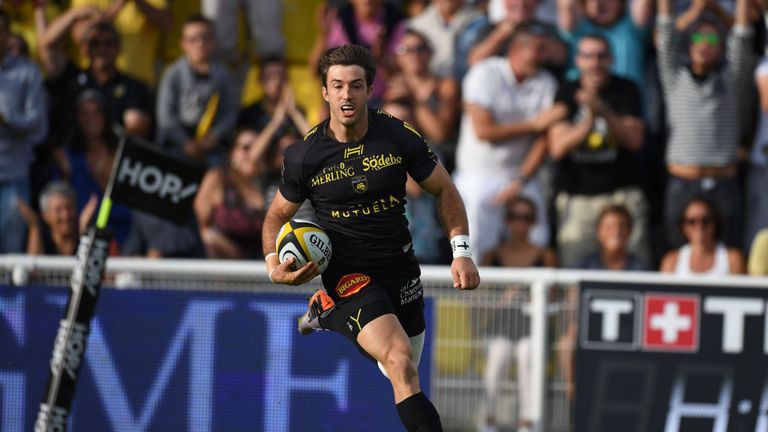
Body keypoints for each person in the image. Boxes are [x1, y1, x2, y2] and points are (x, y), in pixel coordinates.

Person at [262, 44, 480, 432]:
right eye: (338, 86)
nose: (347, 95)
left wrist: (461, 252)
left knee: (404, 362)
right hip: (350, 277)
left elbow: (445, 190)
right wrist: (272, 266)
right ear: (325, 92)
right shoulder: (304, 156)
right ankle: (333, 302)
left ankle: (325, 312)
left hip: (400, 270)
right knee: (399, 364)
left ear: (369, 90)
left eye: (356, 85)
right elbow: (276, 216)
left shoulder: (397, 135)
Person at [454, 22, 564, 264]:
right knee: (477, 239)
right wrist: (533, 124)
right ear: (515, 50)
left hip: (520, 173)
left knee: (539, 234)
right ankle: (475, 296)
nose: (541, 56)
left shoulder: (546, 82)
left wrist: (521, 179)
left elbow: (543, 139)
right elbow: (484, 131)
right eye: (536, 49)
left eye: (543, 50)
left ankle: (537, 298)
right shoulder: (484, 73)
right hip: (477, 174)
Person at [656, 0, 752, 249]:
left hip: (723, 185)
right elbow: (666, 32)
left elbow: (742, 36)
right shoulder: (675, 77)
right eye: (699, 37)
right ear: (689, 43)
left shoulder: (732, 80)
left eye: (712, 39)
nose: (705, 44)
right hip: (682, 184)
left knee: (729, 257)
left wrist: (719, 9)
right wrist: (696, 10)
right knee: (677, 256)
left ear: (721, 46)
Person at [548, 34, 649, 268]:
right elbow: (558, 147)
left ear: (611, 59)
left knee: (635, 267)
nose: (595, 62)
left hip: (621, 194)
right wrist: (589, 118)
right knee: (574, 270)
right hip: (578, 197)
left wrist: (602, 109)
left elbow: (635, 140)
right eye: (588, 56)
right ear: (577, 61)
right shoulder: (566, 91)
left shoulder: (626, 89)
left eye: (601, 56)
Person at [479, 195, 556, 432]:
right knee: (498, 355)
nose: (520, 223)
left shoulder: (546, 255)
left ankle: (528, 423)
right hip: (500, 325)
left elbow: (553, 296)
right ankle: (487, 422)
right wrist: (503, 299)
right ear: (506, 221)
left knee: (527, 355)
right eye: (514, 216)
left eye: (527, 217)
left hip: (533, 326)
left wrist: (536, 299)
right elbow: (480, 300)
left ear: (534, 222)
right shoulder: (492, 256)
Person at [156, 14, 238, 165]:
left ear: (213, 41)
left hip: (212, 146)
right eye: (193, 39)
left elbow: (230, 112)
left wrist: (214, 136)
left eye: (205, 38)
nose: (200, 44)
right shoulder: (172, 74)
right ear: (183, 43)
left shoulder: (224, 76)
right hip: (176, 144)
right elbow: (165, 117)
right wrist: (185, 142)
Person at [0, 9, 48, 253]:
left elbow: (37, 124)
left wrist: (7, 120)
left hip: (14, 176)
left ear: (8, 35)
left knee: (12, 257)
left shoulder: (27, 71)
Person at [194, 129, 269, 259]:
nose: (253, 153)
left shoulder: (271, 185)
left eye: (259, 146)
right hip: (225, 266)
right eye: (246, 147)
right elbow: (200, 228)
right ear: (233, 152)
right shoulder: (219, 178)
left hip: (263, 267)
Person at [660, 197, 745, 275]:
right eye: (692, 221)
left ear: (715, 223)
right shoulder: (671, 261)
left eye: (705, 221)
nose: (699, 226)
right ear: (683, 226)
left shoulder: (732, 259)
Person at [15, 181, 97, 256]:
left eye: (69, 208)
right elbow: (32, 269)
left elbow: (89, 266)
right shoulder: (43, 241)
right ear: (45, 216)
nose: (65, 215)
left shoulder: (82, 239)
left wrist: (85, 230)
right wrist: (34, 226)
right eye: (58, 210)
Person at [577, 204, 650, 270]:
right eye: (609, 227)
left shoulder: (641, 268)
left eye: (622, 227)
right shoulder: (583, 266)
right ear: (598, 231)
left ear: (630, 231)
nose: (616, 232)